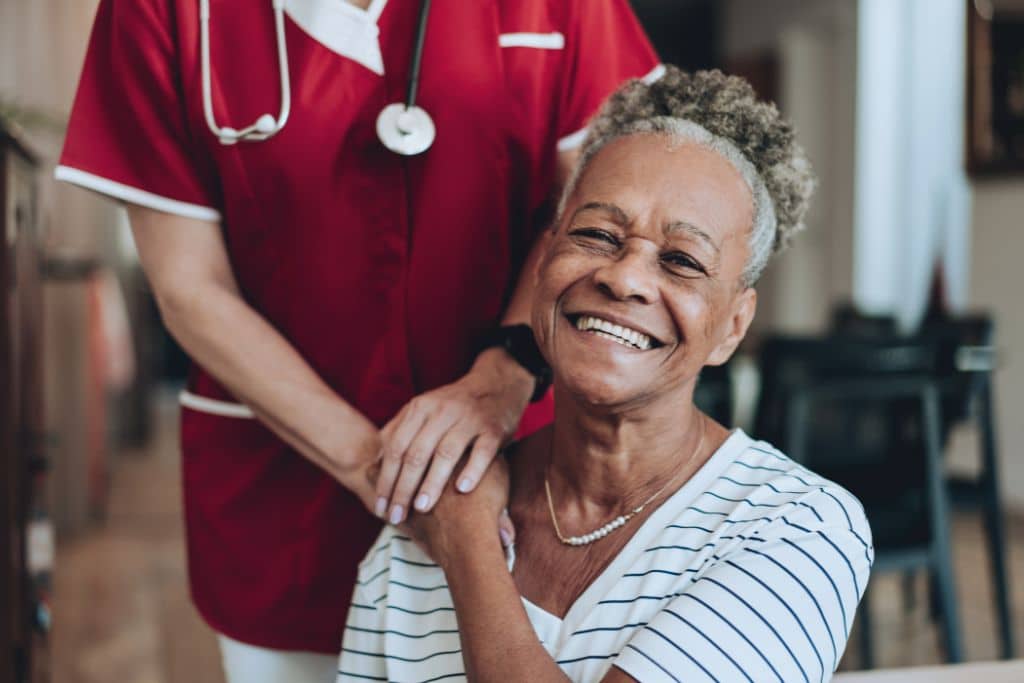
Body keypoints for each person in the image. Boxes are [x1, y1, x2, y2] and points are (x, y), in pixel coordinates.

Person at [56, 0, 660, 680]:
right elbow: (190, 286)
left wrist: (508, 372)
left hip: (517, 461)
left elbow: (601, 198)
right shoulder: (161, 12)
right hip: (286, 488)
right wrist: (388, 472)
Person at [340, 67, 873, 682]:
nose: (624, 278)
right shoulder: (416, 527)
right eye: (596, 234)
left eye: (681, 260)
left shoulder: (795, 527)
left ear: (733, 325)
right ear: (543, 262)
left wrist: (469, 548)